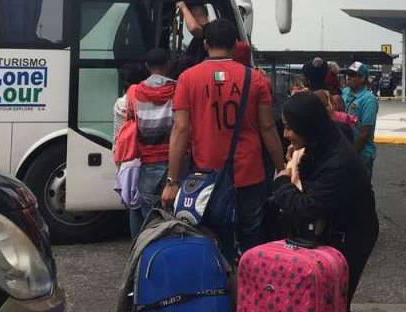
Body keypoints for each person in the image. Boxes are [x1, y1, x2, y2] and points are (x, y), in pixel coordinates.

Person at [162, 19, 286, 260]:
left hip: (205, 176)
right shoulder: (256, 79)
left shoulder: (188, 78)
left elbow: (181, 129)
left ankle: (219, 290)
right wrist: (281, 167)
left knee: (211, 236)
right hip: (249, 173)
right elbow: (268, 127)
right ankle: (250, 288)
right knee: (251, 234)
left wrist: (172, 180)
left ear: (206, 44)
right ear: (234, 45)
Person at [272, 92, 379, 304]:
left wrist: (282, 183)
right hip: (333, 226)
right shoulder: (323, 139)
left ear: (308, 126)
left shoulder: (337, 162)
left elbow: (306, 207)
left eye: (290, 127)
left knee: (334, 298)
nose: (285, 134)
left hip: (351, 235)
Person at [125, 48, 178, 236]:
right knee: (171, 211)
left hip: (147, 159)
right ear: (169, 65)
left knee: (147, 209)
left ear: (147, 67)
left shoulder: (135, 91)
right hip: (174, 160)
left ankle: (143, 249)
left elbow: (131, 119)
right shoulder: (177, 89)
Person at [342, 61, 379, 176]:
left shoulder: (369, 100)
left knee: (362, 189)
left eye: (353, 75)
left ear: (362, 78)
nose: (348, 78)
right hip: (344, 149)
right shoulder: (345, 92)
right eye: (348, 74)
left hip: (361, 153)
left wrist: (351, 154)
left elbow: (364, 133)